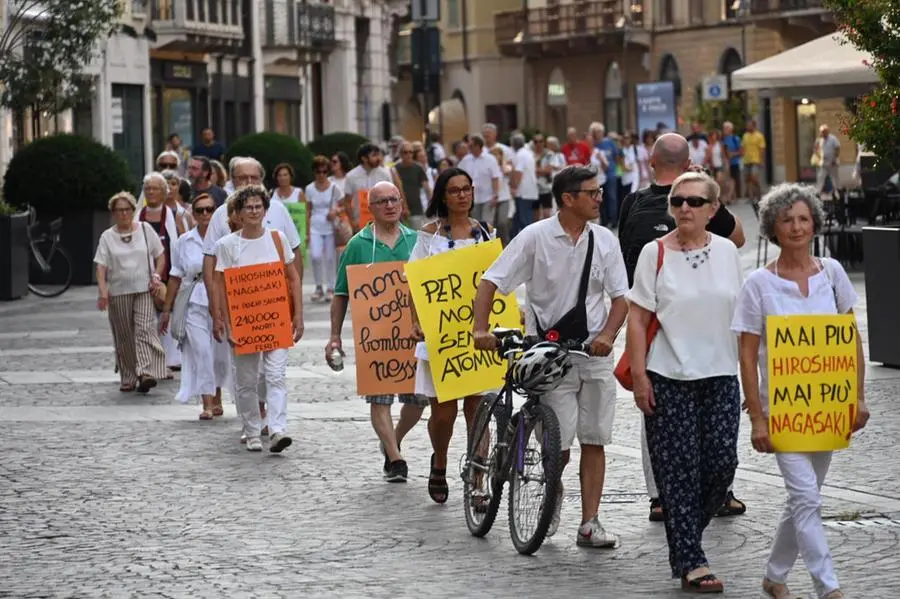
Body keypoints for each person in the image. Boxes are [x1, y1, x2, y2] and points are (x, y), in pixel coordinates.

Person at [474, 165, 628, 548]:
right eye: (591, 193)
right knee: (556, 446)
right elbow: (491, 281)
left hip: (592, 352)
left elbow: (621, 299)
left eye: (599, 191)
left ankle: (590, 522)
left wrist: (608, 335)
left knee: (595, 438)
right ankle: (550, 493)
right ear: (567, 199)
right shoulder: (535, 237)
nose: (599, 198)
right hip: (547, 353)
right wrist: (480, 329)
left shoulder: (605, 240)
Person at [731, 184, 869, 599]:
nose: (796, 227)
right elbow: (747, 353)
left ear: (814, 225)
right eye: (787, 219)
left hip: (827, 406)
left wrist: (858, 397)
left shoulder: (832, 273)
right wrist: (757, 416)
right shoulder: (758, 283)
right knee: (806, 496)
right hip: (783, 409)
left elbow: (850, 339)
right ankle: (828, 587)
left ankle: (774, 575)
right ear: (773, 226)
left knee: (803, 499)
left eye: (803, 219)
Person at [617, 133, 747, 521]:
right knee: (702, 422)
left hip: (649, 317)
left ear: (651, 162)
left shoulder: (633, 203)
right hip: (701, 325)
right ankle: (714, 495)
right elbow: (738, 238)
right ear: (689, 162)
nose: (685, 208)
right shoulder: (704, 200)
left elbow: (625, 250)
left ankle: (660, 494)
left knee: (653, 410)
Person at [326, 181, 427, 482]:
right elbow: (341, 293)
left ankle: (391, 440)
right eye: (382, 201)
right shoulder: (358, 245)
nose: (389, 206)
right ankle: (396, 460)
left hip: (413, 334)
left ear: (402, 203)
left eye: (394, 199)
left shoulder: (417, 241)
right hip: (377, 337)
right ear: (370, 208)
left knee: (417, 401)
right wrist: (335, 336)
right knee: (380, 399)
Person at [408, 167, 494, 504]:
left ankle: (477, 480)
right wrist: (416, 320)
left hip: (476, 334)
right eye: (455, 190)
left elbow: (496, 275)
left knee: (478, 412)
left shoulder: (484, 233)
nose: (462, 195)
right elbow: (415, 280)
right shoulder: (428, 236)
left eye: (467, 189)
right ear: (443, 195)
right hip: (442, 335)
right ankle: (440, 459)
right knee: (443, 415)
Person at [213, 185, 304, 453]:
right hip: (245, 324)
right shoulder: (227, 245)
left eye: (258, 206)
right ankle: (252, 429)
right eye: (248, 207)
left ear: (265, 210)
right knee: (247, 380)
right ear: (238, 214)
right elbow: (223, 287)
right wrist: (226, 323)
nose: (254, 211)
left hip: (276, 321)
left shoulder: (278, 239)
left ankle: (277, 430)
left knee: (276, 376)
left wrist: (298, 316)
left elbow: (293, 277)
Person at [159, 193, 229, 419]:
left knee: (219, 354)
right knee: (202, 352)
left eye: (210, 209)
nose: (206, 214)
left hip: (220, 301)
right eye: (200, 210)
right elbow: (175, 276)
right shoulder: (184, 241)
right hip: (193, 301)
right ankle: (206, 403)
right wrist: (167, 310)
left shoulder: (226, 238)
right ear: (194, 214)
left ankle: (217, 397)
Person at [95, 191, 167, 394]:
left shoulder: (145, 230)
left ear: (133, 210)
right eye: (119, 210)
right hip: (118, 292)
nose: (123, 214)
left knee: (144, 328)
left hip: (144, 289)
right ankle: (128, 376)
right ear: (113, 213)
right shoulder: (107, 237)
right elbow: (101, 266)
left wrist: (156, 276)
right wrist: (103, 292)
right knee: (125, 335)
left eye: (127, 209)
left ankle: (144, 372)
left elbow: (160, 255)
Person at [137, 172, 185, 374]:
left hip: (168, 271)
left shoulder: (176, 216)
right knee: (145, 317)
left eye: (155, 188)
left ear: (165, 192)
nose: (151, 192)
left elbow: (182, 241)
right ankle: (149, 359)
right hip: (141, 272)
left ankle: (172, 357)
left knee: (168, 311)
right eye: (148, 188)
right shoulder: (137, 216)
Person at [305, 156, 342, 302]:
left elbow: (345, 204)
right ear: (314, 172)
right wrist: (307, 232)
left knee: (330, 258)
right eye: (318, 172)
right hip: (315, 226)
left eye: (324, 171)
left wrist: (336, 211)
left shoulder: (334, 187)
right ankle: (319, 286)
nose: (321, 175)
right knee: (315, 256)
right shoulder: (309, 188)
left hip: (331, 227)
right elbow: (307, 210)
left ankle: (331, 287)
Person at [343, 143, 405, 233]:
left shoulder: (384, 174)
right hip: (361, 225)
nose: (378, 158)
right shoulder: (351, 176)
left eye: (379, 155)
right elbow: (347, 202)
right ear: (364, 158)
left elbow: (393, 196)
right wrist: (353, 222)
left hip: (384, 223)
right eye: (374, 155)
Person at [393, 141, 431, 230]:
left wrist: (432, 204)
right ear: (400, 154)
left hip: (416, 208)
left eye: (411, 152)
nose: (408, 155)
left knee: (417, 236)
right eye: (405, 152)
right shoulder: (395, 169)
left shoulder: (418, 168)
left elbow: (427, 188)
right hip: (399, 209)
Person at [509, 132, 539, 237]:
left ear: (513, 144)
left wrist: (513, 187)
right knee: (517, 218)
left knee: (525, 219)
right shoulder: (527, 153)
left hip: (523, 192)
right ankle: (513, 238)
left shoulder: (520, 155)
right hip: (529, 190)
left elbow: (518, 173)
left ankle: (531, 240)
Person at [742, 119, 767, 207]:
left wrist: (761, 160)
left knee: (754, 178)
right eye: (747, 125)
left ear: (754, 126)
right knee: (748, 179)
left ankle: (759, 194)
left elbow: (762, 149)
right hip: (746, 160)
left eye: (749, 125)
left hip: (756, 160)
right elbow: (743, 148)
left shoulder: (759, 136)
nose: (748, 126)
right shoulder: (745, 135)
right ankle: (751, 197)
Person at [813, 124, 841, 197]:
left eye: (824, 131)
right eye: (822, 131)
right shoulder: (819, 139)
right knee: (820, 177)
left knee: (835, 178)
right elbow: (815, 149)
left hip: (832, 162)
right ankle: (818, 193)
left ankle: (839, 193)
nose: (823, 133)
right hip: (824, 163)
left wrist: (835, 159)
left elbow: (837, 148)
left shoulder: (833, 138)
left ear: (827, 131)